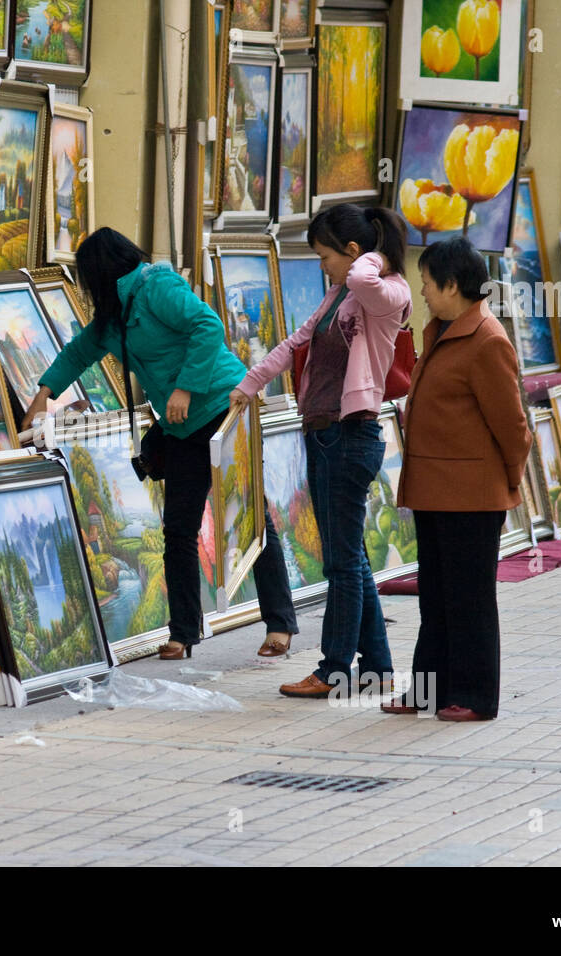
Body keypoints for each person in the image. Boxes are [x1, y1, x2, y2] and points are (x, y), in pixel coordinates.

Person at [22, 227, 299, 660]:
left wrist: (185, 388)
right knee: (178, 530)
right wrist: (42, 395)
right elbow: (77, 354)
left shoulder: (158, 287)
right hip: (182, 428)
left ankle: (280, 623)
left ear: (100, 275)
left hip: (223, 407)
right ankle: (183, 632)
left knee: (249, 519)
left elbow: (208, 326)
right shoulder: (112, 318)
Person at [230, 204, 409, 697]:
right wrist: (250, 384)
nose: (322, 267)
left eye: (325, 256)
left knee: (342, 562)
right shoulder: (337, 295)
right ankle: (376, 667)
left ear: (353, 252)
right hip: (324, 433)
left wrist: (367, 258)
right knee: (350, 558)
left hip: (351, 435)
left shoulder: (386, 293)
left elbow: (367, 280)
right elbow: (294, 343)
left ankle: (333, 670)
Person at [381, 237, 531, 721]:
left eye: (426, 281)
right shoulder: (443, 330)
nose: (422, 290)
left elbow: (513, 426)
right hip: (435, 491)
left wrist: (507, 484)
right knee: (437, 598)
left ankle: (474, 695)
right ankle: (428, 690)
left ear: (452, 284)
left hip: (473, 497)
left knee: (470, 601)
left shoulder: (486, 339)